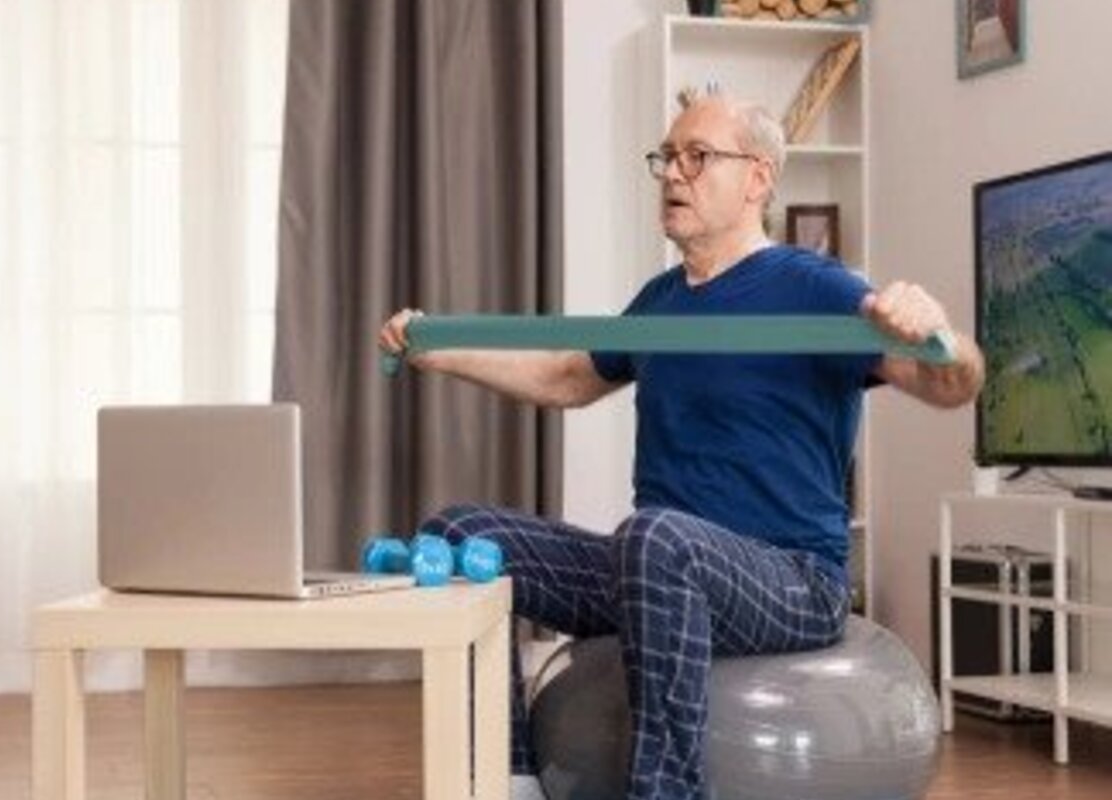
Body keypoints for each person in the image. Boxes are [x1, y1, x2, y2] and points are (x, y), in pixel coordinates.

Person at [378, 89, 984, 800]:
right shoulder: (661, 300)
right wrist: (436, 351)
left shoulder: (815, 286)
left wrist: (936, 329)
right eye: (666, 157)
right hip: (656, 573)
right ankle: (508, 778)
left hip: (790, 580)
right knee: (458, 535)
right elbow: (569, 375)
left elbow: (952, 384)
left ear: (758, 177)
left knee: (655, 537)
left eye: (697, 157)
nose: (672, 173)